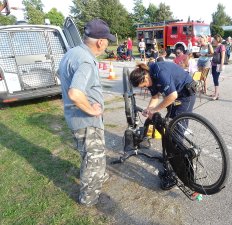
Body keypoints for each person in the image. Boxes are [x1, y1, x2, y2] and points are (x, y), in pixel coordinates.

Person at [58, 19, 116, 207]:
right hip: (86, 120)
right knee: (94, 158)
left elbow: (60, 74)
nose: (107, 44)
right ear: (100, 42)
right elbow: (75, 93)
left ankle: (99, 176)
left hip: (75, 118)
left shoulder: (72, 52)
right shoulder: (86, 60)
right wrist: (91, 109)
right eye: (107, 40)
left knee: (88, 154)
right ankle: (89, 198)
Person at [129, 61, 197, 189]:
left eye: (144, 84)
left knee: (176, 134)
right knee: (167, 128)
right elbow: (155, 97)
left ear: (145, 76)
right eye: (142, 86)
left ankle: (175, 170)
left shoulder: (159, 71)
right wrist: (149, 109)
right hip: (175, 96)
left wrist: (155, 110)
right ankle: (169, 157)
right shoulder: (149, 77)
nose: (145, 87)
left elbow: (172, 95)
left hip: (185, 95)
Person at [211, 34, 225, 100]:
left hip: (218, 65)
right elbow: (213, 55)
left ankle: (216, 95)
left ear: (217, 40)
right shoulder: (216, 46)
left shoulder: (221, 46)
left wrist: (221, 66)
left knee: (216, 79)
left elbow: (223, 57)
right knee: (214, 79)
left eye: (214, 39)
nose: (213, 40)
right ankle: (216, 93)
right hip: (214, 65)